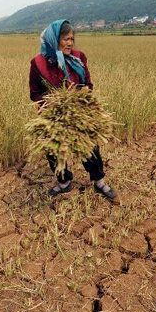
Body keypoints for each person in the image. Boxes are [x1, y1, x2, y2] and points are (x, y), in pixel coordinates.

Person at [29, 19, 118, 202]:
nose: (70, 43)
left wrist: (80, 98)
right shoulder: (38, 64)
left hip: (79, 112)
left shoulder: (79, 57)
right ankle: (64, 183)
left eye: (72, 39)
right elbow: (35, 93)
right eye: (65, 39)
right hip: (52, 116)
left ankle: (99, 181)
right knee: (54, 150)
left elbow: (88, 84)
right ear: (54, 40)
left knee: (89, 146)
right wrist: (53, 103)